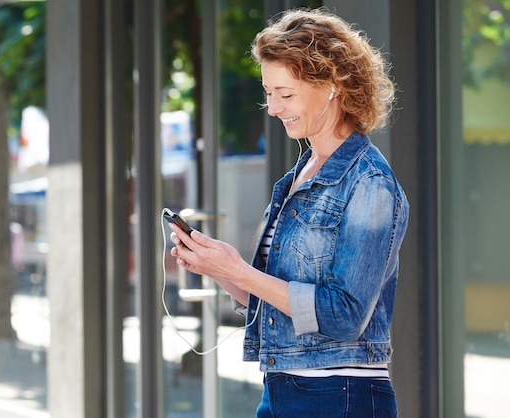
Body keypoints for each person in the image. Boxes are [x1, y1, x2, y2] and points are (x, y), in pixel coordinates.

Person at [168, 7, 409, 418]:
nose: (273, 108)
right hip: (282, 390)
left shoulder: (369, 183)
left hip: (339, 396)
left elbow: (345, 315)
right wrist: (222, 270)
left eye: (286, 93)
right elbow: (280, 302)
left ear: (332, 84)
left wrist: (242, 272)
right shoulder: (297, 177)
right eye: (268, 92)